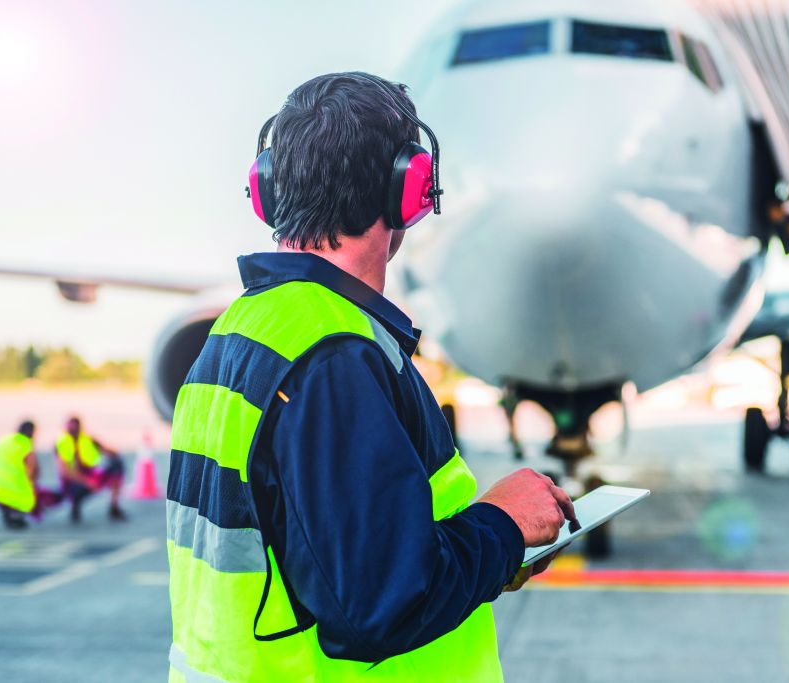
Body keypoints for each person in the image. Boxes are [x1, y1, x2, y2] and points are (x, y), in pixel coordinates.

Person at [166, 72, 576, 682]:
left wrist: (490, 558)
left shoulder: (241, 329)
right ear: (410, 189)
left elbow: (320, 556)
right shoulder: (333, 356)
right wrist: (503, 525)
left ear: (268, 189)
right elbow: (380, 606)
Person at [0, 420, 61, 529]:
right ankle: (16, 515)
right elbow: (32, 469)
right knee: (31, 498)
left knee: (8, 496)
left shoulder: (4, 440)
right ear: (31, 432)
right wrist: (32, 487)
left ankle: (10, 513)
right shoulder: (25, 444)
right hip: (11, 491)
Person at [55, 416, 127, 522]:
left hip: (89, 474)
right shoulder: (63, 444)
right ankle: (75, 505)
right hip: (73, 482)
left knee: (117, 467)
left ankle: (114, 507)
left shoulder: (87, 440)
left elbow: (111, 452)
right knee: (76, 487)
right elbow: (65, 472)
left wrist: (100, 444)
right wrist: (87, 482)